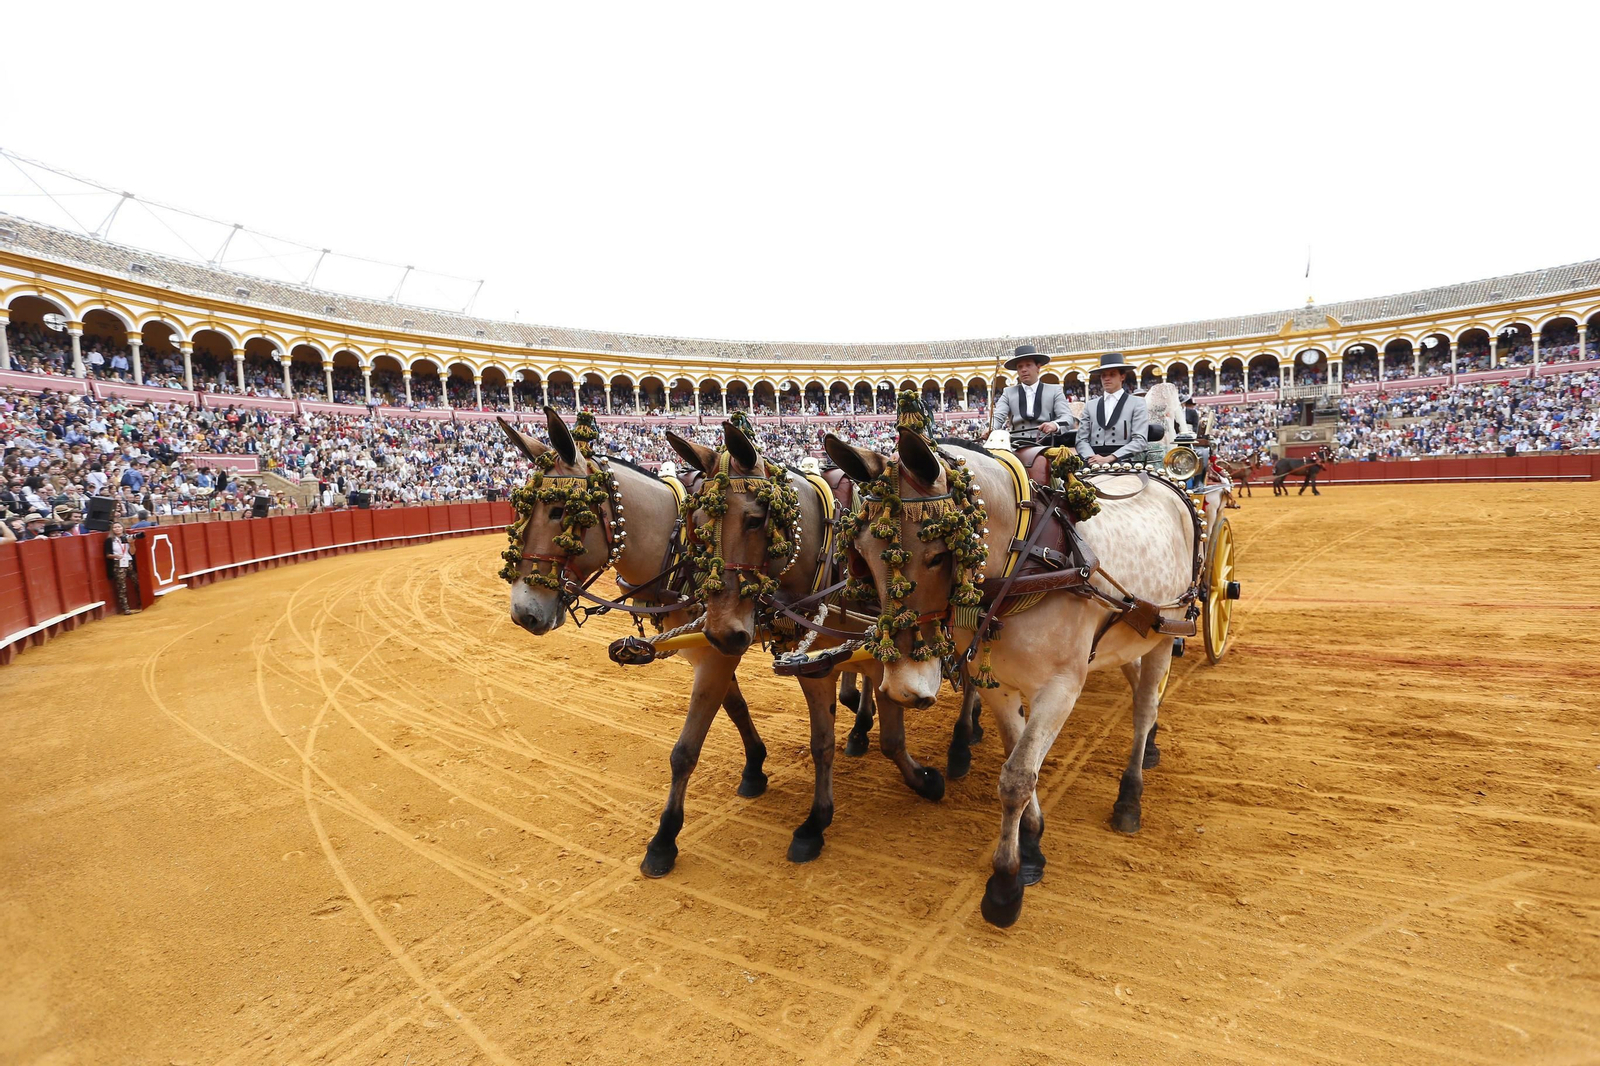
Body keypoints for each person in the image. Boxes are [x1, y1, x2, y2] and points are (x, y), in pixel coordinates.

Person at [989, 344, 1074, 442]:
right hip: (1017, 444)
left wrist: (1054, 425)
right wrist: (991, 428)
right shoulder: (1008, 392)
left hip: (1048, 442)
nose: (1024, 370)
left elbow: (1067, 418)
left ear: (1038, 367)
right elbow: (998, 416)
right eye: (1020, 367)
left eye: (1028, 365)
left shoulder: (1055, 390)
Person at [1076, 353, 1149, 466]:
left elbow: (1140, 440)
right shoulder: (1090, 405)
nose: (1107, 378)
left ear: (1122, 376)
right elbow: (1081, 439)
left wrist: (1110, 458)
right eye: (1103, 375)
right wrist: (1092, 459)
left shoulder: (1137, 403)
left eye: (1112, 374)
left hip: (1123, 461)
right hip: (1092, 461)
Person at [103, 520, 140, 614]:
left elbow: (132, 552)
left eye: (119, 527)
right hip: (117, 563)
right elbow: (107, 555)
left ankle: (141, 603)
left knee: (137, 582)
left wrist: (132, 544)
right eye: (115, 527)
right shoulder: (109, 540)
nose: (117, 529)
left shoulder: (128, 538)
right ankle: (125, 608)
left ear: (123, 528)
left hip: (129, 561)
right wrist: (115, 556)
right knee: (121, 586)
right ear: (112, 529)